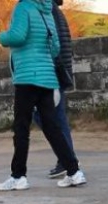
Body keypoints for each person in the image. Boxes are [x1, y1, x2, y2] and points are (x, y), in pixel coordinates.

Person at [0, 0, 85, 191]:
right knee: (52, 127)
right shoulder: (47, 9)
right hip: (47, 78)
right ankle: (74, 171)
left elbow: (17, 37)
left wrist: (2, 37)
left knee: (21, 127)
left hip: (27, 77)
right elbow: (54, 47)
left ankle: (18, 176)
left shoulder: (24, 7)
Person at [32, 0, 80, 180]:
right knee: (54, 115)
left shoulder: (46, 11)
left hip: (51, 71)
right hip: (58, 69)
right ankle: (67, 159)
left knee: (48, 116)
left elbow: (51, 43)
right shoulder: (52, 10)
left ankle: (67, 160)